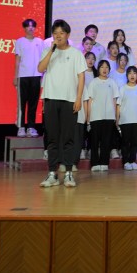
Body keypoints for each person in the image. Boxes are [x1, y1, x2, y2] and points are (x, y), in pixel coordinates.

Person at [37, 19, 86, 188]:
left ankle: (69, 173)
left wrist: (78, 99)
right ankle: (52, 173)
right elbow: (40, 68)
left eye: (61, 33)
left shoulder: (76, 54)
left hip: (69, 100)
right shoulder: (48, 51)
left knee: (68, 138)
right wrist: (51, 51)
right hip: (51, 98)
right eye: (55, 33)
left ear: (68, 35)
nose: (58, 36)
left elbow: (81, 77)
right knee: (52, 138)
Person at [13, 18, 44, 138]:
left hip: (36, 76)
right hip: (23, 76)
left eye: (33, 26)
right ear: (24, 28)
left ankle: (31, 127)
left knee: (33, 103)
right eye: (28, 26)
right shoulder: (20, 41)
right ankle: (21, 127)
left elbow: (43, 59)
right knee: (22, 103)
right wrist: (15, 76)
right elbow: (17, 61)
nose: (31, 28)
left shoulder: (40, 42)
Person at [87, 60, 118, 172]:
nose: (104, 69)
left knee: (106, 141)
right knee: (94, 141)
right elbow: (90, 100)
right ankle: (95, 163)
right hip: (95, 116)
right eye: (102, 67)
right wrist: (88, 118)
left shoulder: (112, 82)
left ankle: (104, 162)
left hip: (109, 116)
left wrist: (116, 117)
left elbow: (114, 100)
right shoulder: (93, 82)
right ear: (98, 69)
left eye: (107, 67)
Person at [118, 66, 137, 171]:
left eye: (134, 73)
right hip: (125, 120)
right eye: (130, 73)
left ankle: (132, 161)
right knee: (125, 142)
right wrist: (117, 119)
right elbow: (118, 105)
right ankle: (126, 162)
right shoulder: (122, 89)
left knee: (135, 142)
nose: (132, 75)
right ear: (127, 75)